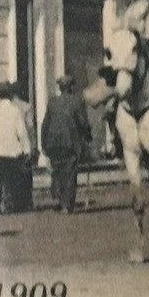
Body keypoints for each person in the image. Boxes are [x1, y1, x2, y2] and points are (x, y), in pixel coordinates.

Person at [40, 75, 90, 213]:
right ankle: (67, 205)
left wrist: (43, 143)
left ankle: (61, 201)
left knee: (57, 171)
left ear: (60, 88)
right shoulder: (77, 101)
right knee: (70, 173)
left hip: (53, 142)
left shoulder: (52, 102)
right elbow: (83, 122)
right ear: (71, 87)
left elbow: (45, 124)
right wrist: (88, 137)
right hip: (70, 142)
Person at [0, 82, 32, 215]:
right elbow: (22, 133)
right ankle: (9, 204)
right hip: (11, 151)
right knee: (10, 180)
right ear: (11, 95)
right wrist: (27, 150)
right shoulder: (15, 111)